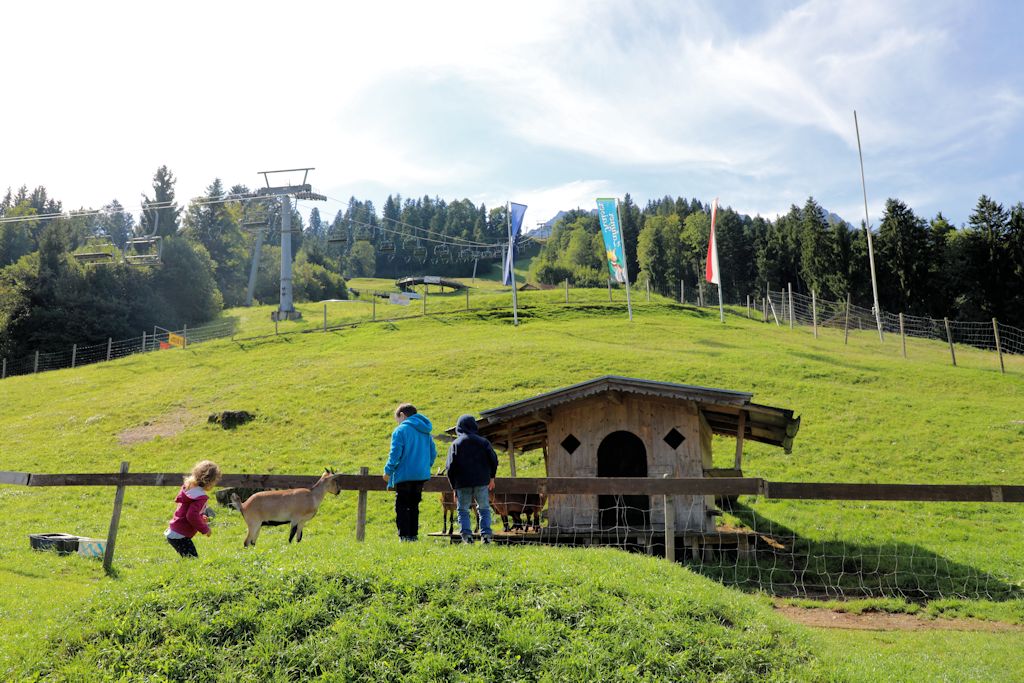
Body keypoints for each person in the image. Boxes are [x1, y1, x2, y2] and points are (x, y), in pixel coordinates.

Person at [383, 403, 437, 541]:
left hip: (405, 475)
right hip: (421, 475)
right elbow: (433, 453)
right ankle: (413, 535)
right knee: (414, 505)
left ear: (402, 415)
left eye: (398, 419)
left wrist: (387, 471)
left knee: (402, 506)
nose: (398, 422)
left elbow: (395, 454)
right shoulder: (426, 431)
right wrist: (426, 465)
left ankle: (404, 536)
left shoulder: (400, 430)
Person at [445, 414, 498, 544]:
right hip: (482, 481)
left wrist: (454, 486)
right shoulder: (483, 442)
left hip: (462, 483)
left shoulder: (456, 444)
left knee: (463, 510)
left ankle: (467, 536)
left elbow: (450, 467)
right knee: (484, 508)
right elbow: (494, 460)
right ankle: (486, 535)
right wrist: (492, 477)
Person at [165, 459, 221, 558]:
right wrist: (205, 529)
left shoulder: (189, 488)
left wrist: (200, 517)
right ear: (210, 481)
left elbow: (190, 511)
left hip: (174, 531)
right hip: (180, 535)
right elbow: (191, 515)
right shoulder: (200, 496)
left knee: (189, 559)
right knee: (193, 560)